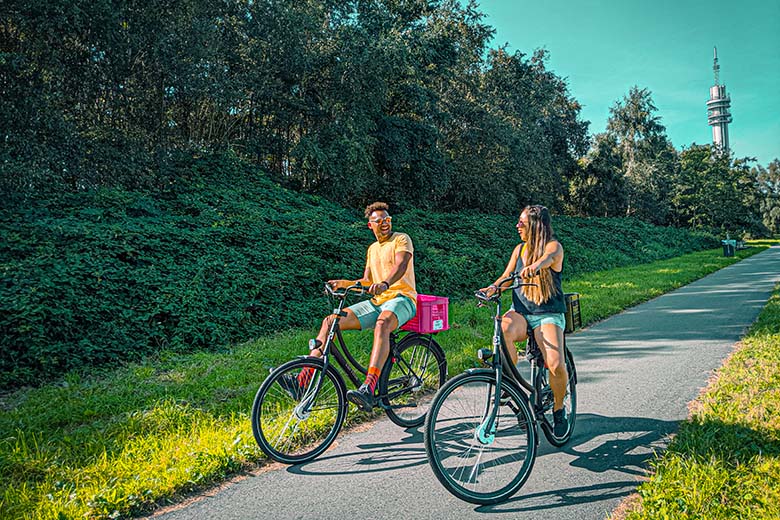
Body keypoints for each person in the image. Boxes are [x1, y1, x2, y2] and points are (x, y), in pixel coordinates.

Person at [280, 201, 417, 412]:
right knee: (330, 322)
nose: (385, 224)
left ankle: (369, 388)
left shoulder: (401, 239)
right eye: (379, 221)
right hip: (377, 302)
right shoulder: (372, 249)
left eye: (387, 219)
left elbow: (401, 264)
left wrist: (385, 284)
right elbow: (366, 280)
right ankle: (302, 382)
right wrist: (344, 284)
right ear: (370, 225)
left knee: (382, 324)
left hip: (402, 299)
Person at [481, 205, 569, 437]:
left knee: (556, 364)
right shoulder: (519, 249)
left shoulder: (553, 246)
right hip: (520, 311)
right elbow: (506, 277)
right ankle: (513, 389)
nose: (517, 225)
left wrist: (536, 266)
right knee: (503, 329)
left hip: (547, 313)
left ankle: (559, 409)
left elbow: (549, 259)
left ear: (536, 225)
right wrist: (492, 289)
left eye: (522, 222)